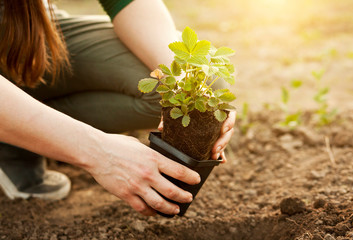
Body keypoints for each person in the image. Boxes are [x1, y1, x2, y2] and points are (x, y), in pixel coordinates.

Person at [0, 0, 235, 216]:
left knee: (206, 82)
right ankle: (15, 135)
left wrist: (184, 86)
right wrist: (97, 151)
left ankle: (23, 131)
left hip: (27, 21)